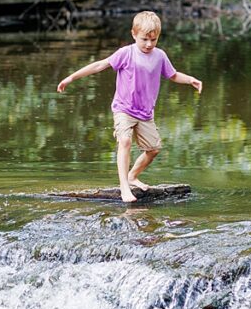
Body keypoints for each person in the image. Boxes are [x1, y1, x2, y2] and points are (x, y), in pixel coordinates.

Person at [57, 11, 202, 203]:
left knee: (153, 149)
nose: (149, 44)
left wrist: (191, 80)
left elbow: (172, 75)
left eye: (154, 39)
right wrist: (71, 77)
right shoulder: (126, 53)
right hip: (124, 109)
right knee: (124, 141)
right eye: (144, 39)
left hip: (145, 113)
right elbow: (100, 65)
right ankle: (124, 186)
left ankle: (133, 176)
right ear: (134, 34)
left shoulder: (159, 56)